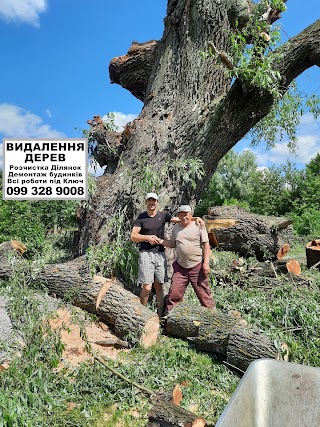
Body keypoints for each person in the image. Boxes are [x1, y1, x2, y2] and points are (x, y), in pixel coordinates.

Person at [130, 193, 204, 316]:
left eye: (154, 201)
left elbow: (181, 219)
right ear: (146, 202)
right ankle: (141, 315)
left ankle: (159, 316)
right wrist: (147, 237)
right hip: (146, 254)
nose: (151, 203)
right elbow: (133, 236)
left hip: (160, 254)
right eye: (149, 201)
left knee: (159, 286)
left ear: (157, 202)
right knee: (147, 287)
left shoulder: (163, 216)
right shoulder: (141, 217)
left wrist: (196, 218)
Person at [159, 205, 215, 312]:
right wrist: (159, 241)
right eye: (181, 214)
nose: (184, 216)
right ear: (178, 215)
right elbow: (172, 244)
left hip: (197, 267)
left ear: (191, 215)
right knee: (174, 294)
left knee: (204, 295)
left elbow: (206, 245)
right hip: (180, 268)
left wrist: (206, 263)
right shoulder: (176, 228)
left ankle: (212, 318)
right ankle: (170, 318)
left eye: (186, 214)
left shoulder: (199, 225)